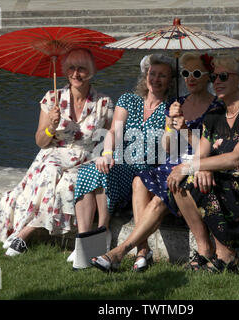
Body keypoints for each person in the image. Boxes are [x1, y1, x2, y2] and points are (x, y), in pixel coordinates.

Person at [90, 52, 223, 272]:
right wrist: (172, 125)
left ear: (208, 76)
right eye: (186, 73)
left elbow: (214, 147)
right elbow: (169, 147)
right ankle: (143, 251)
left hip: (199, 163)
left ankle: (119, 252)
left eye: (197, 73)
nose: (191, 77)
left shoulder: (216, 106)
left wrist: (186, 131)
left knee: (160, 198)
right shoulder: (177, 104)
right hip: (173, 162)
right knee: (138, 182)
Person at [166, 55, 239, 272]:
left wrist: (195, 167)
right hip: (226, 176)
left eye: (223, 76)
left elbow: (237, 158)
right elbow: (201, 154)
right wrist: (197, 165)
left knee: (203, 183)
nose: (216, 82)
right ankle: (204, 250)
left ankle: (227, 255)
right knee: (178, 182)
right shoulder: (214, 115)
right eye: (213, 77)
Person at [0, 48, 114, 256]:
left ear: (91, 72)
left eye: (82, 69)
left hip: (85, 157)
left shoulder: (103, 102)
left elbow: (110, 137)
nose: (76, 74)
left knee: (67, 185)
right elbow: (40, 141)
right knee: (51, 172)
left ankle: (24, 234)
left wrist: (107, 153)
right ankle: (28, 234)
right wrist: (51, 125)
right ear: (65, 72)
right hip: (54, 155)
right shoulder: (52, 99)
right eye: (72, 69)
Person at [71, 53, 175, 263]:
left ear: (171, 81)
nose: (155, 79)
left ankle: (103, 231)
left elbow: (168, 148)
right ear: (145, 76)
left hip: (146, 168)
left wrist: (172, 123)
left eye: (162, 75)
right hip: (121, 162)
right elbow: (113, 132)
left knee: (105, 176)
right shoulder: (129, 99)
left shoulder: (171, 108)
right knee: (90, 171)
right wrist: (107, 154)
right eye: (152, 74)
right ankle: (86, 240)